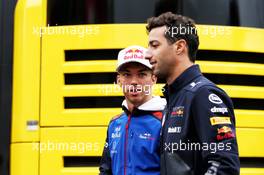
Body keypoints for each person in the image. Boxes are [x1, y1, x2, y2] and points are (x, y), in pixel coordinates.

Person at [145, 12, 240, 175]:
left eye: (154, 45)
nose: (147, 54)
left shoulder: (203, 94)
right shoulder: (174, 97)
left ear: (180, 47)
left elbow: (224, 165)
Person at [99, 45, 166, 175]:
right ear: (119, 80)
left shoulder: (166, 120)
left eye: (141, 74)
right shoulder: (115, 123)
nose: (134, 82)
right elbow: (105, 170)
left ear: (154, 78)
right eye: (127, 75)